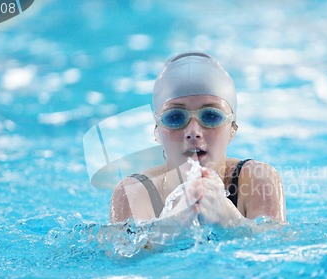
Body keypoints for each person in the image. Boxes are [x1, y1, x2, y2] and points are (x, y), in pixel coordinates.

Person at [110, 51, 286, 229]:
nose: (193, 132)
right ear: (157, 132)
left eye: (210, 116)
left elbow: (276, 248)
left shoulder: (258, 178)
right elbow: (120, 255)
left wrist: (229, 220)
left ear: (232, 130)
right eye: (175, 118)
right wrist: (170, 226)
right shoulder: (132, 192)